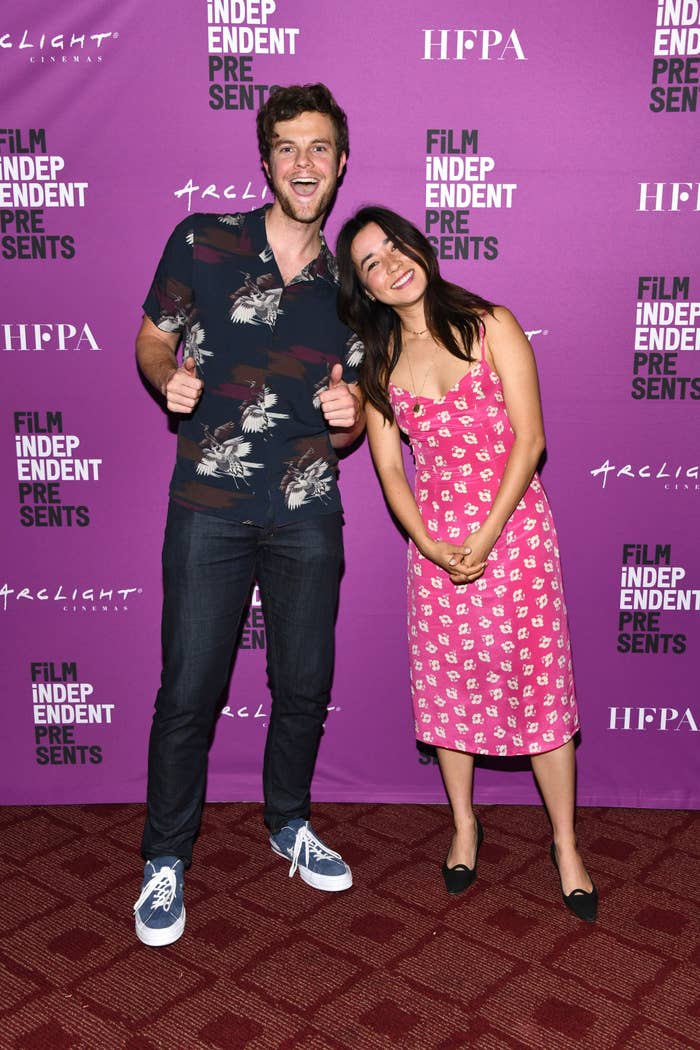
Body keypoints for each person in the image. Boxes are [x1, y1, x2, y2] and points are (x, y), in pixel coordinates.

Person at [132, 84, 365, 947]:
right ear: (265, 160)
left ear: (342, 164)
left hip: (307, 509)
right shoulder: (203, 240)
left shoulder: (352, 285)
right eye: (287, 148)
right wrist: (168, 377)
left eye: (319, 148)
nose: (304, 164)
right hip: (209, 506)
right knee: (189, 690)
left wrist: (353, 420)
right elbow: (154, 336)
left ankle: (290, 822)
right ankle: (164, 860)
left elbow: (354, 414)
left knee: (303, 687)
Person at [336, 206, 597, 922]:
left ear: (418, 248)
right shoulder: (380, 357)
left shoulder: (492, 324)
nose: (390, 265)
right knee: (451, 688)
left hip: (513, 536)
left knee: (540, 686)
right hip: (434, 545)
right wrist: (425, 540)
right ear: (365, 289)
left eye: (394, 247)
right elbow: (389, 467)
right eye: (370, 264)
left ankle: (566, 845)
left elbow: (532, 440)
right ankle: (463, 825)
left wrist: (487, 537)